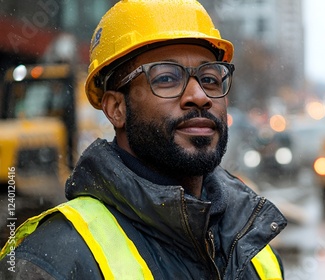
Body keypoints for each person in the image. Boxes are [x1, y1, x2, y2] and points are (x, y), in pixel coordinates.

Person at [0, 0, 287, 279]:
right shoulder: (54, 260)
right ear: (116, 109)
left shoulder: (254, 251)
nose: (199, 96)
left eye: (210, 78)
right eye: (166, 78)